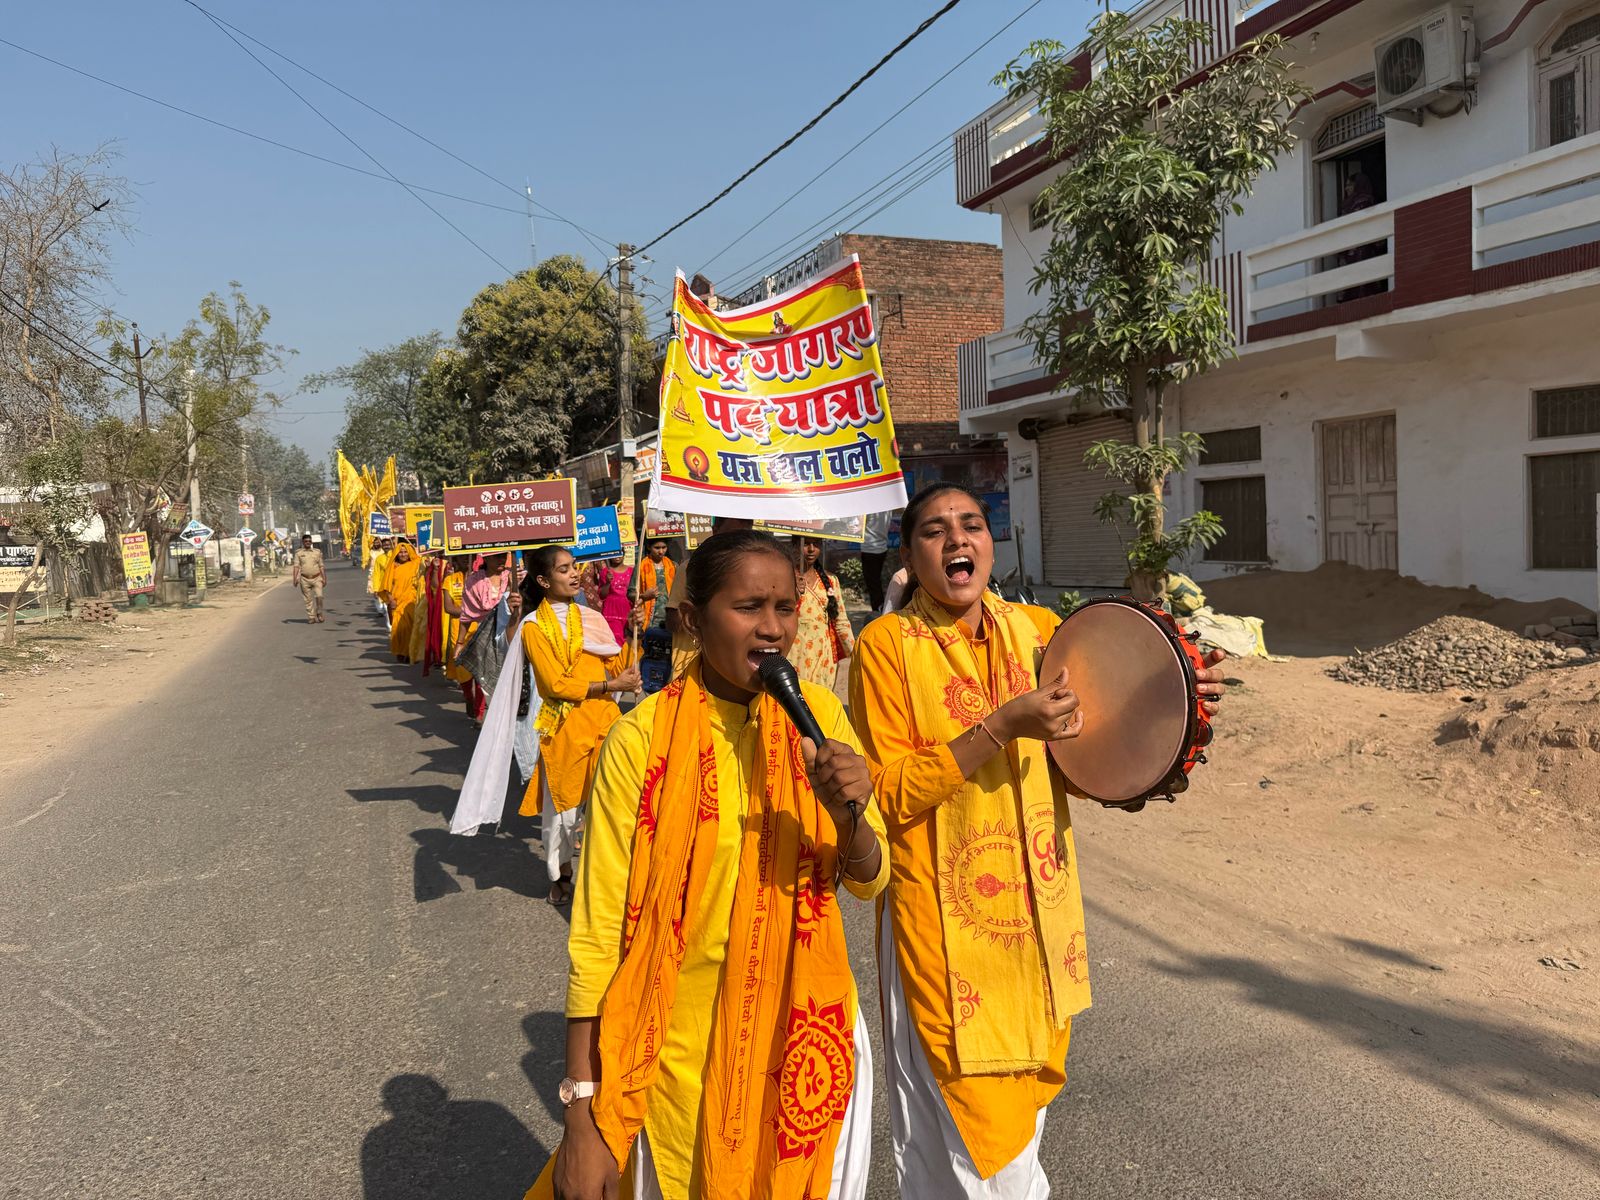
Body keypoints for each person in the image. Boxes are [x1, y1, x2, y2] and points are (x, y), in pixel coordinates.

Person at [848, 482, 1229, 1198]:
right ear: (909, 554)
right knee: (975, 1156)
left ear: (992, 542)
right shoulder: (886, 649)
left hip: (1039, 936)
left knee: (1016, 1137)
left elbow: (1084, 766)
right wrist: (1000, 727)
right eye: (934, 531)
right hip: (943, 934)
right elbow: (888, 797)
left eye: (971, 525)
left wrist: (1167, 710)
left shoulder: (1039, 631)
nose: (958, 540)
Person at [528, 530, 889, 1200]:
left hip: (807, 1042)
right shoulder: (641, 742)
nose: (773, 628)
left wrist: (849, 814)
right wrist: (581, 1115)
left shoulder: (822, 720)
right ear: (693, 620)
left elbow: (869, 877)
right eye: (749, 607)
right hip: (678, 1057)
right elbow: (599, 936)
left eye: (785, 607)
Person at [515, 546, 642, 905]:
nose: (574, 575)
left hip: (604, 721)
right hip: (565, 728)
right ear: (543, 580)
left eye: (574, 567)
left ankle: (615, 875)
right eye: (563, 570)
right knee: (563, 814)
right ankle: (562, 874)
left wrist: (636, 636)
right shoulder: (534, 627)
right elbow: (556, 685)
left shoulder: (592, 617)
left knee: (619, 801)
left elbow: (622, 670)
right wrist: (610, 686)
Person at [664, 517, 753, 680]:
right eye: (734, 535)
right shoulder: (691, 569)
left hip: (736, 676)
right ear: (716, 529)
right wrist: (703, 616)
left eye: (746, 534)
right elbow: (672, 620)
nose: (740, 542)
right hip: (691, 674)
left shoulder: (754, 575)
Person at [793, 536, 855, 690]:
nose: (812, 549)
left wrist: (857, 654)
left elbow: (841, 622)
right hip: (794, 654)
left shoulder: (831, 580)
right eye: (806, 544)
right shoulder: (784, 577)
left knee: (821, 705)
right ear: (794, 544)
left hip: (824, 656)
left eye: (817, 544)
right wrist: (793, 591)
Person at [439, 555, 482, 720]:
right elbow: (449, 608)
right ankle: (468, 698)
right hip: (457, 631)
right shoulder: (449, 580)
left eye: (469, 557)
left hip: (479, 629)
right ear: (455, 561)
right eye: (462, 557)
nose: (466, 559)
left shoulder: (481, 579)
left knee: (479, 673)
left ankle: (479, 714)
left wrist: (475, 613)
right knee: (463, 670)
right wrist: (470, 612)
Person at [381, 539, 423, 662]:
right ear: (397, 554)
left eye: (405, 552)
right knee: (399, 629)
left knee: (412, 628)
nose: (403, 554)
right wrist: (390, 600)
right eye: (401, 552)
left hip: (412, 602)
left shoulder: (416, 564)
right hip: (397, 602)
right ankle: (401, 651)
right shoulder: (392, 567)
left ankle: (412, 653)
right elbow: (387, 585)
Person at [635, 539, 675, 629]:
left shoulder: (673, 565)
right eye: (657, 548)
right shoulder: (641, 566)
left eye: (664, 547)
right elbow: (630, 593)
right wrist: (644, 596)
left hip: (669, 618)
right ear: (649, 547)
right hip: (649, 620)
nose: (661, 551)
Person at [859, 511, 891, 613]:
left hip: (870, 548)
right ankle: (879, 607)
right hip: (882, 547)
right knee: (875, 581)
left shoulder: (870, 508)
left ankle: (878, 608)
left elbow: (859, 525)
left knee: (873, 583)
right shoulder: (887, 508)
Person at [292, 533, 326, 624]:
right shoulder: (299, 553)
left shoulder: (317, 552)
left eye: (309, 541)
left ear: (311, 542)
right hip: (304, 579)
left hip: (317, 578)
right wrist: (295, 579)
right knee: (308, 599)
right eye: (306, 541)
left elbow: (321, 566)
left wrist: (324, 578)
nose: (308, 542)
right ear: (303, 542)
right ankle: (311, 617)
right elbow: (296, 567)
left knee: (319, 596)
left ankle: (319, 612)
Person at [367, 538, 393, 626]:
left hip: (396, 585)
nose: (387, 546)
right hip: (385, 587)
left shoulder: (396, 555)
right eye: (385, 545)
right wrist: (376, 589)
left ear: (392, 545)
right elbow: (377, 574)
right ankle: (390, 626)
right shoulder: (379, 558)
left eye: (388, 544)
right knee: (387, 607)